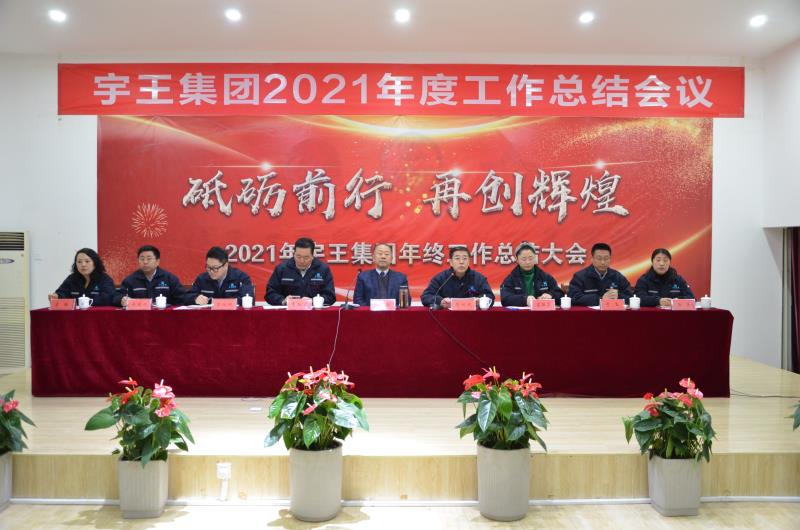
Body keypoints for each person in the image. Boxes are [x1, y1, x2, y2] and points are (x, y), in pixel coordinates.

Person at [265, 237, 336, 305]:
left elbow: (330, 296)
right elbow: (270, 293)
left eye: (306, 257)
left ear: (312, 256)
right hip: (288, 311)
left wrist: (313, 301)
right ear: (294, 254)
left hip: (314, 312)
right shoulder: (282, 269)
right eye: (298, 256)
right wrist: (283, 300)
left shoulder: (323, 269)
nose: (302, 261)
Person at [421, 246, 494, 308]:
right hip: (446, 317)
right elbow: (426, 296)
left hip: (473, 317)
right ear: (451, 262)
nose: (461, 262)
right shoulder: (441, 278)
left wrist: (481, 301)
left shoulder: (478, 278)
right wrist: (440, 301)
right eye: (457, 258)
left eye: (465, 258)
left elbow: (490, 296)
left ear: (469, 261)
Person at [114, 245, 186, 307]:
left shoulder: (170, 279)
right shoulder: (130, 280)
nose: (145, 262)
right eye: (142, 259)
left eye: (149, 259)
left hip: (164, 316)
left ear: (157, 261)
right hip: (139, 316)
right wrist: (121, 300)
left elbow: (182, 298)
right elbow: (117, 297)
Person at [500, 242, 564, 307]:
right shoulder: (511, 279)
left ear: (535, 257)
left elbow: (560, 294)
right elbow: (505, 299)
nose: (528, 262)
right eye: (524, 259)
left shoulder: (545, 277)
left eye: (530, 258)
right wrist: (525, 300)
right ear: (517, 259)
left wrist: (550, 295)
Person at [568, 242, 633, 306]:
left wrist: (618, 296)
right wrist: (600, 299)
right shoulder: (580, 277)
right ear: (592, 259)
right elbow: (573, 298)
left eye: (606, 258)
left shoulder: (617, 276)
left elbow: (631, 298)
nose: (603, 262)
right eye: (599, 258)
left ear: (610, 259)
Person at [186, 246, 254, 305]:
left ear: (226, 265)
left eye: (215, 268)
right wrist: (194, 299)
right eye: (208, 267)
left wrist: (215, 302)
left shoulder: (241, 278)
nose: (211, 271)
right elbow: (186, 297)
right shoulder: (201, 279)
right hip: (208, 315)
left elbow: (248, 300)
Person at [49, 248, 115, 306]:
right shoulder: (72, 278)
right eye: (79, 262)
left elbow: (107, 298)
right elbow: (62, 292)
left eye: (87, 261)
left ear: (95, 263)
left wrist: (83, 302)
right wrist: (56, 296)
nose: (83, 264)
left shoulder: (105, 279)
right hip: (74, 315)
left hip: (97, 314)